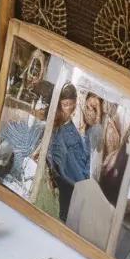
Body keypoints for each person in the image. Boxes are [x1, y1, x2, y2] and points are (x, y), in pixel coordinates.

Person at [46, 83, 90, 222]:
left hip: (71, 169)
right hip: (61, 170)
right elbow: (53, 146)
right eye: (65, 104)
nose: (69, 107)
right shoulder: (56, 123)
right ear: (59, 104)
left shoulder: (73, 123)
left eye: (72, 103)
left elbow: (80, 150)